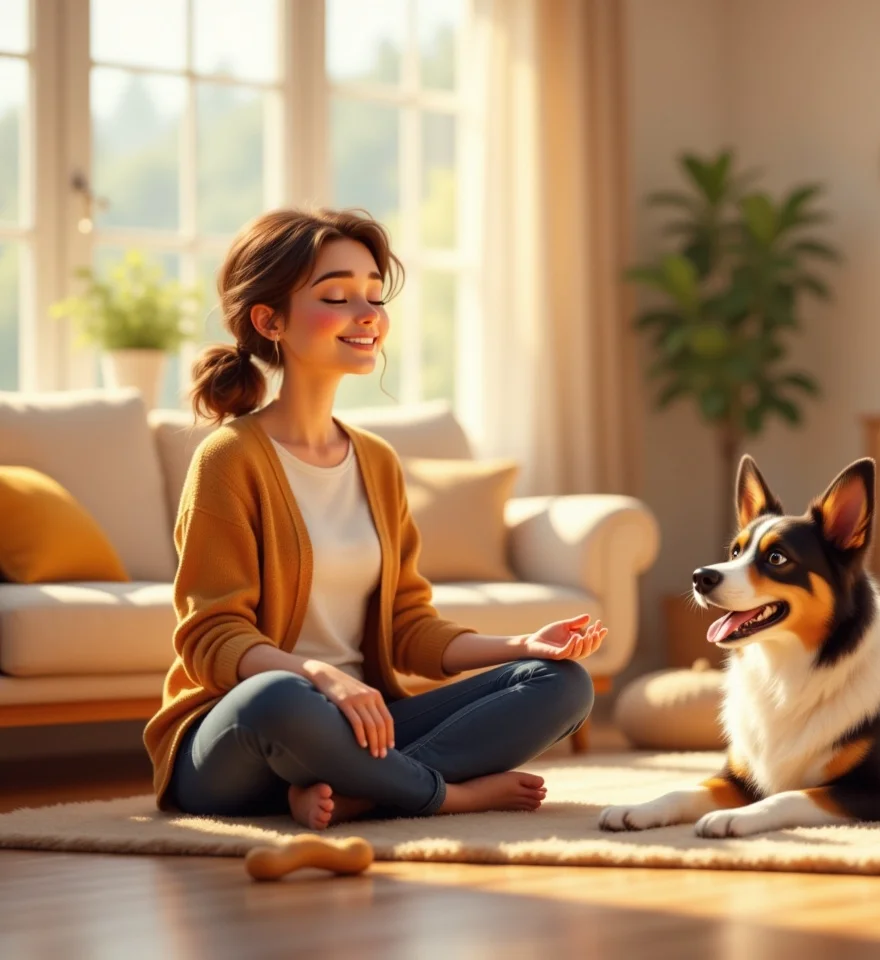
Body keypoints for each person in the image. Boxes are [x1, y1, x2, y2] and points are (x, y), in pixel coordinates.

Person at [142, 207, 603, 830]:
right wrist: (324, 676)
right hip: (240, 736)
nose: (367, 314)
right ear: (269, 320)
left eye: (373, 296)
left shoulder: (376, 462)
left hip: (366, 726)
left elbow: (407, 628)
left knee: (561, 683)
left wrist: (522, 643)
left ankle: (358, 793)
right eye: (336, 295)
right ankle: (440, 794)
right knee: (282, 698)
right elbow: (212, 639)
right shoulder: (229, 459)